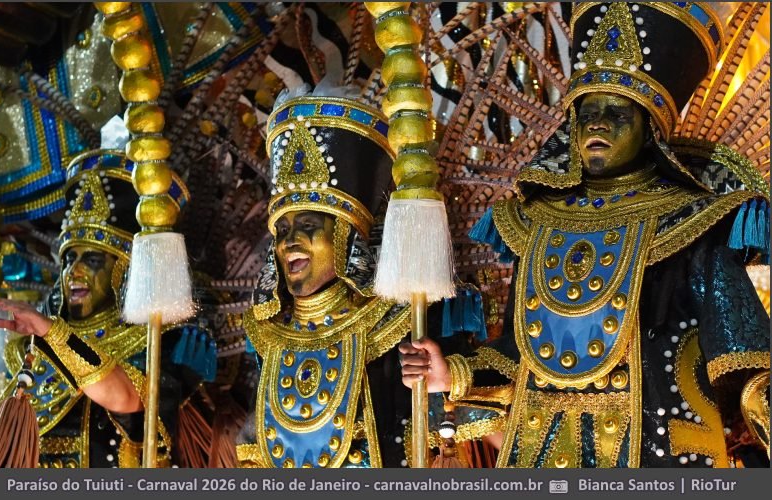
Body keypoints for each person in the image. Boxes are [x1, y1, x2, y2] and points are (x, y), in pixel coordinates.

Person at [400, 2, 770, 468]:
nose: (597, 122)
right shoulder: (537, 225)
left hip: (657, 458)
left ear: (651, 127)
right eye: (587, 110)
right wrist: (448, 373)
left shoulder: (692, 225)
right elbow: (517, 362)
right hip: (539, 456)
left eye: (617, 112)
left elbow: (746, 361)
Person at [236, 91, 456, 468]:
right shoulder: (265, 334)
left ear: (343, 236)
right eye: (282, 229)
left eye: (308, 225)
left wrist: (447, 381)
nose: (290, 242)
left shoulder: (398, 316)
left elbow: (464, 427)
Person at [0, 150, 209, 468]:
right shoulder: (32, 351)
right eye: (68, 259)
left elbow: (125, 400)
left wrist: (52, 332)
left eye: (91, 260)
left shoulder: (162, 339)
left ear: (126, 271)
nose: (73, 272)